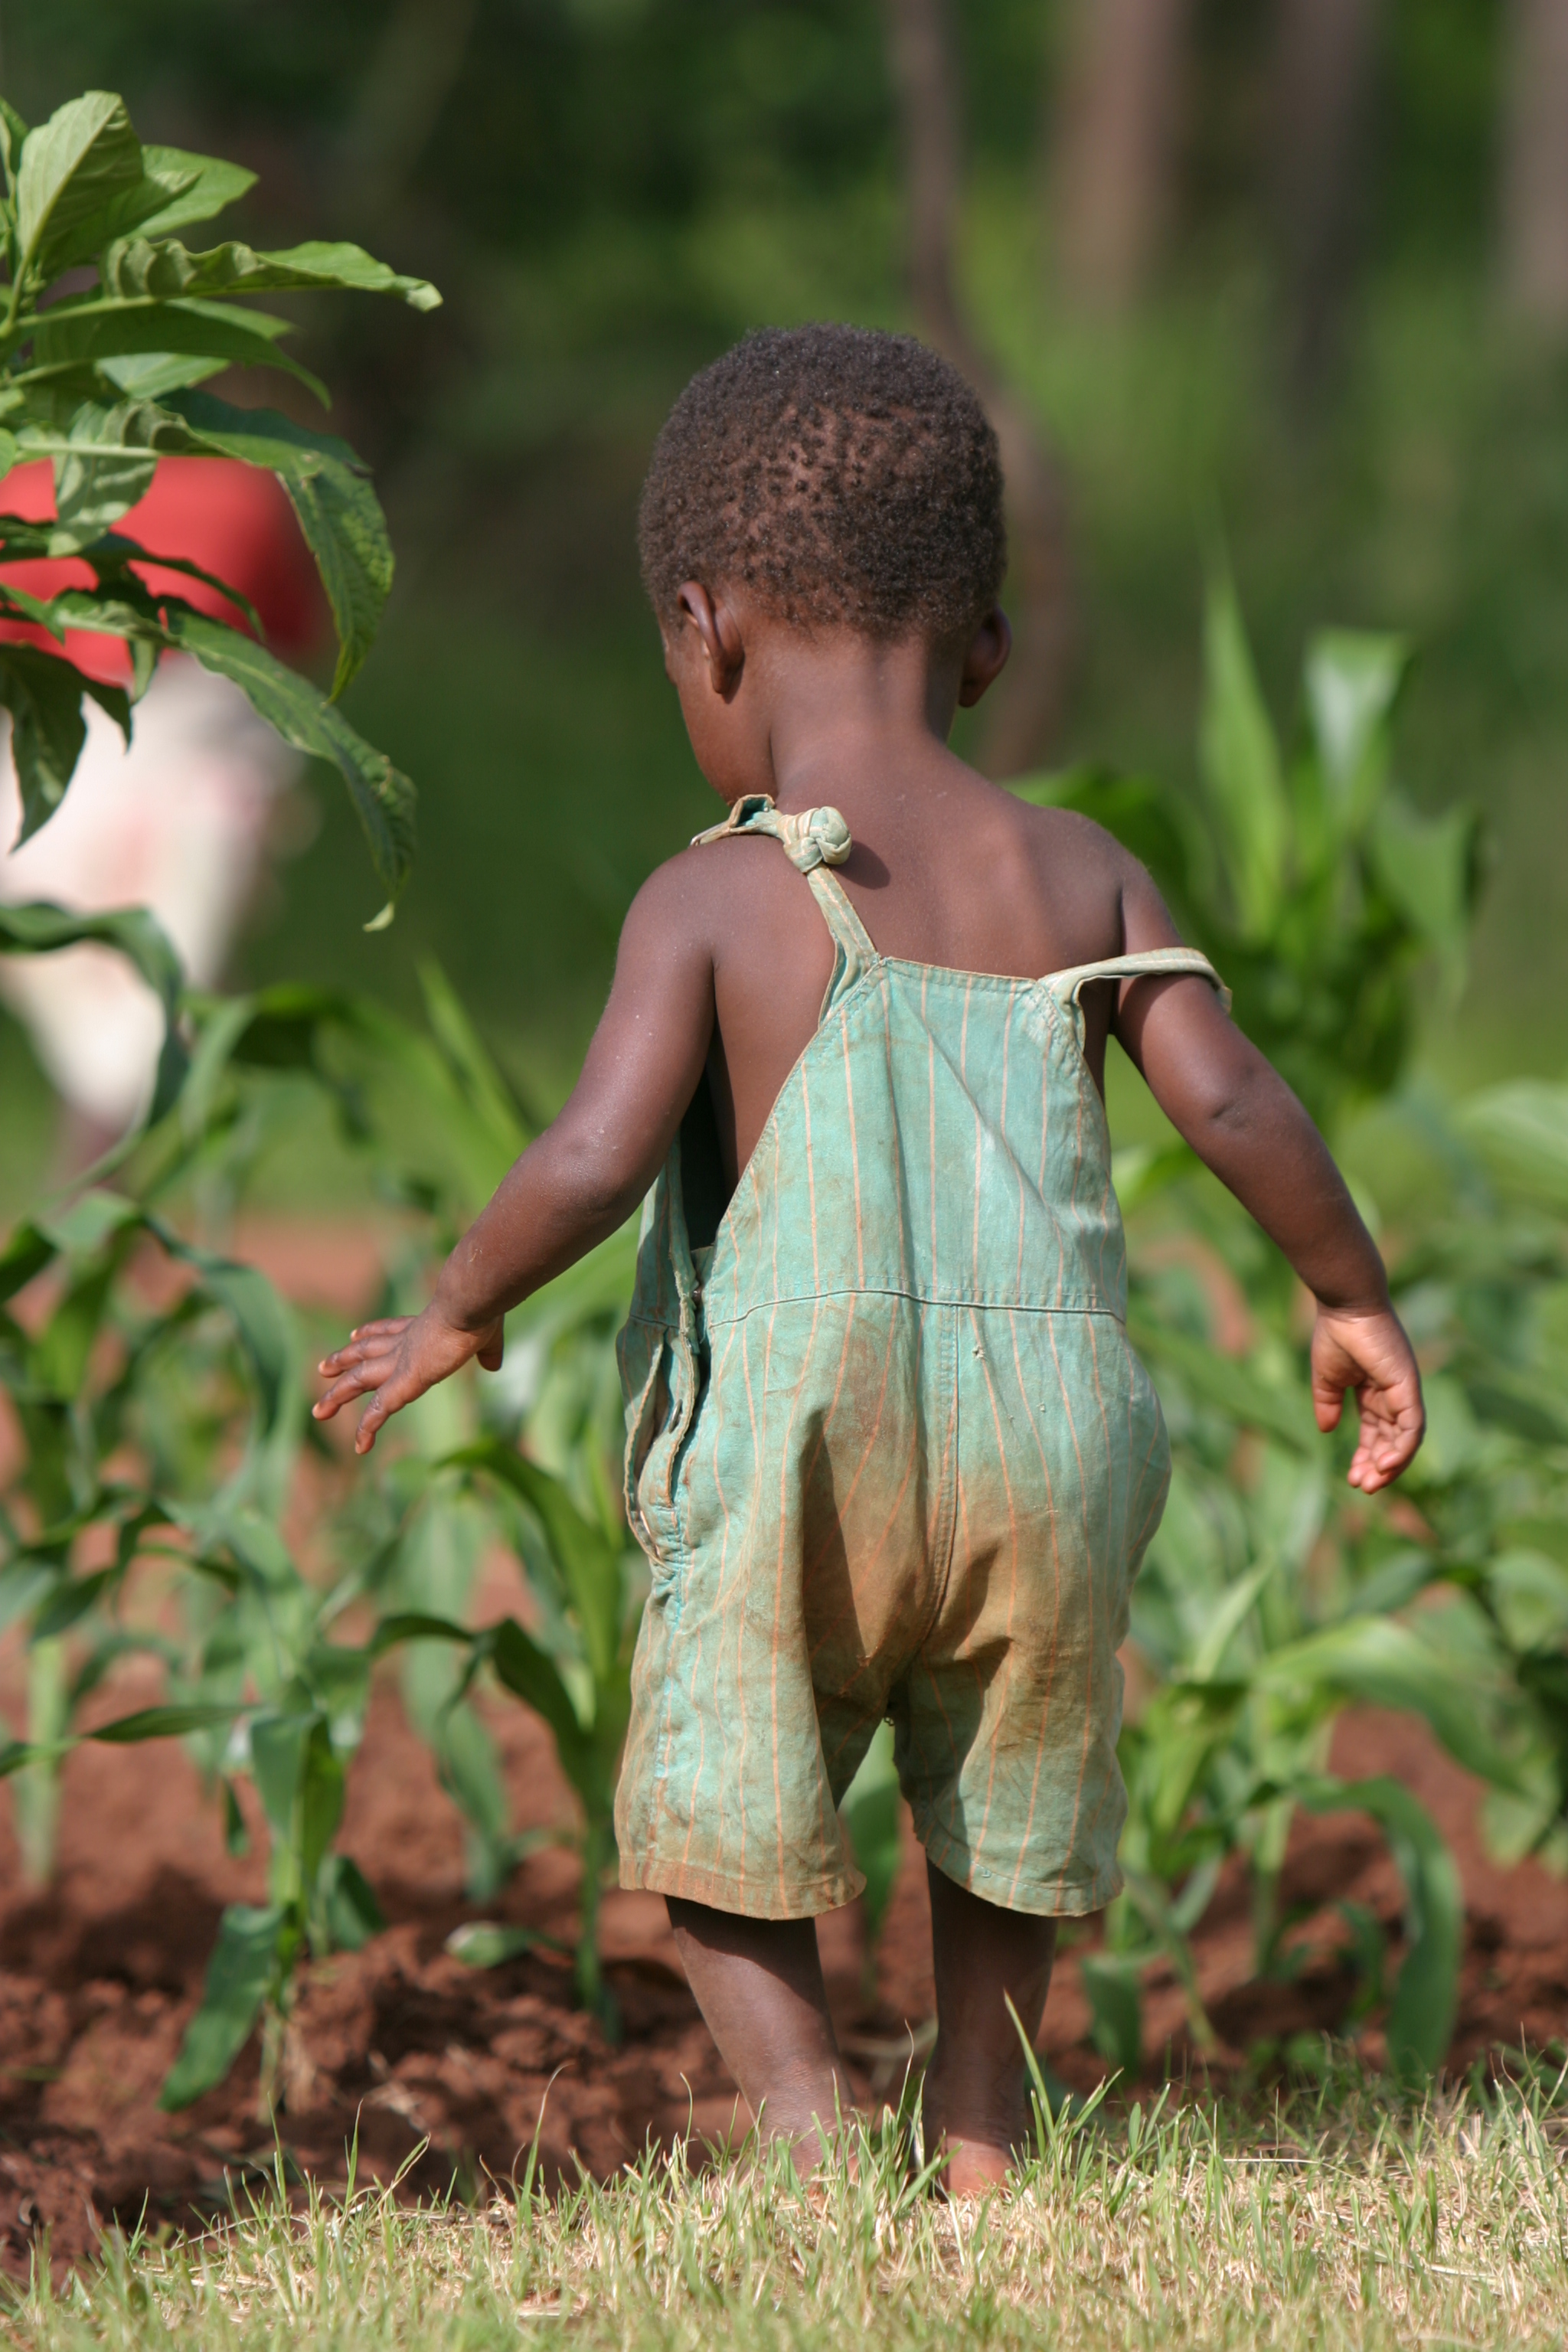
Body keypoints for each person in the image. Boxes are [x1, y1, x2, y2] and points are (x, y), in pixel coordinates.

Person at [314, 325, 1425, 2190]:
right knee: (1009, 1808)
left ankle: (816, 2139)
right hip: (1046, 1452)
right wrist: (1350, 1290)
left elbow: (591, 1150)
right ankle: (982, 2143)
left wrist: (455, 1301)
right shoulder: (1079, 872)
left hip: (806, 1461)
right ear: (981, 647)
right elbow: (1232, 1102)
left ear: (707, 628)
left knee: (718, 1811)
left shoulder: (720, 894)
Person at [0, 458, 325, 1158]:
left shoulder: (33, 486)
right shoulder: (248, 489)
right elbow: (291, 638)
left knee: (118, 996)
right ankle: (95, 1206)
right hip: (187, 760)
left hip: (75, 757)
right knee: (150, 995)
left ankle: (89, 1208)